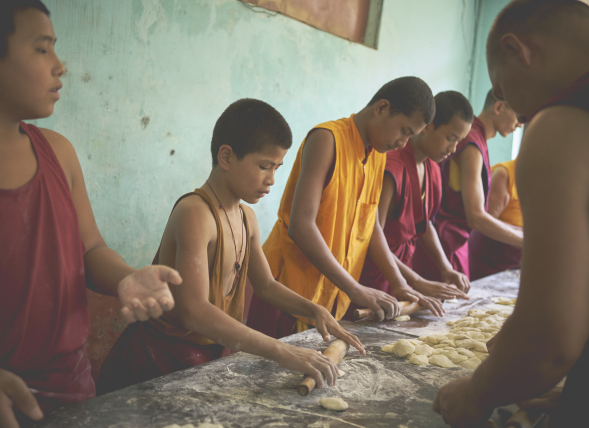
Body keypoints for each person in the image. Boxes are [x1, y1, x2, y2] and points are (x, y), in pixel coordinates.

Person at [0, 1, 181, 426]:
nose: (61, 66)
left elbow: (90, 247)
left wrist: (126, 277)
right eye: (42, 49)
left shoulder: (57, 153)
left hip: (73, 393)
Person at [96, 99, 365, 395]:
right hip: (158, 361)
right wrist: (280, 351)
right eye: (264, 166)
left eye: (277, 168)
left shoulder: (246, 217)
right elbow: (194, 312)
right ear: (226, 156)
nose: (272, 180)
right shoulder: (195, 213)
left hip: (208, 356)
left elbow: (264, 286)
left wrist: (313, 310)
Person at [433, 1, 589, 426]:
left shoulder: (563, 124)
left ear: (517, 50)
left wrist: (479, 391)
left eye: (501, 90)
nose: (517, 114)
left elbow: (551, 338)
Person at [247, 76, 445, 340]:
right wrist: (353, 287)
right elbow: (301, 226)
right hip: (288, 293)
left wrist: (400, 283)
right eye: (404, 131)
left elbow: (370, 224)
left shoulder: (377, 154)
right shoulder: (327, 139)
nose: (403, 144)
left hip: (331, 300)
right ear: (381, 108)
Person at [359, 91, 473, 301]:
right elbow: (373, 237)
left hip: (403, 277)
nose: (453, 149)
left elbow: (424, 223)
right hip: (374, 277)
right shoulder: (391, 167)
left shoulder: (433, 169)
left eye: (459, 142)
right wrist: (417, 281)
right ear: (428, 126)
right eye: (450, 138)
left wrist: (446, 267)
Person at [413, 89, 523, 281]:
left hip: (451, 244)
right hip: (443, 246)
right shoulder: (470, 143)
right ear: (498, 107)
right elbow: (477, 218)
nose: (520, 124)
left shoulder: (475, 140)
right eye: (519, 115)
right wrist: (525, 240)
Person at [469, 157, 523, 280]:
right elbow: (484, 225)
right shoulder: (504, 174)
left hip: (517, 260)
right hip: (491, 258)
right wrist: (527, 240)